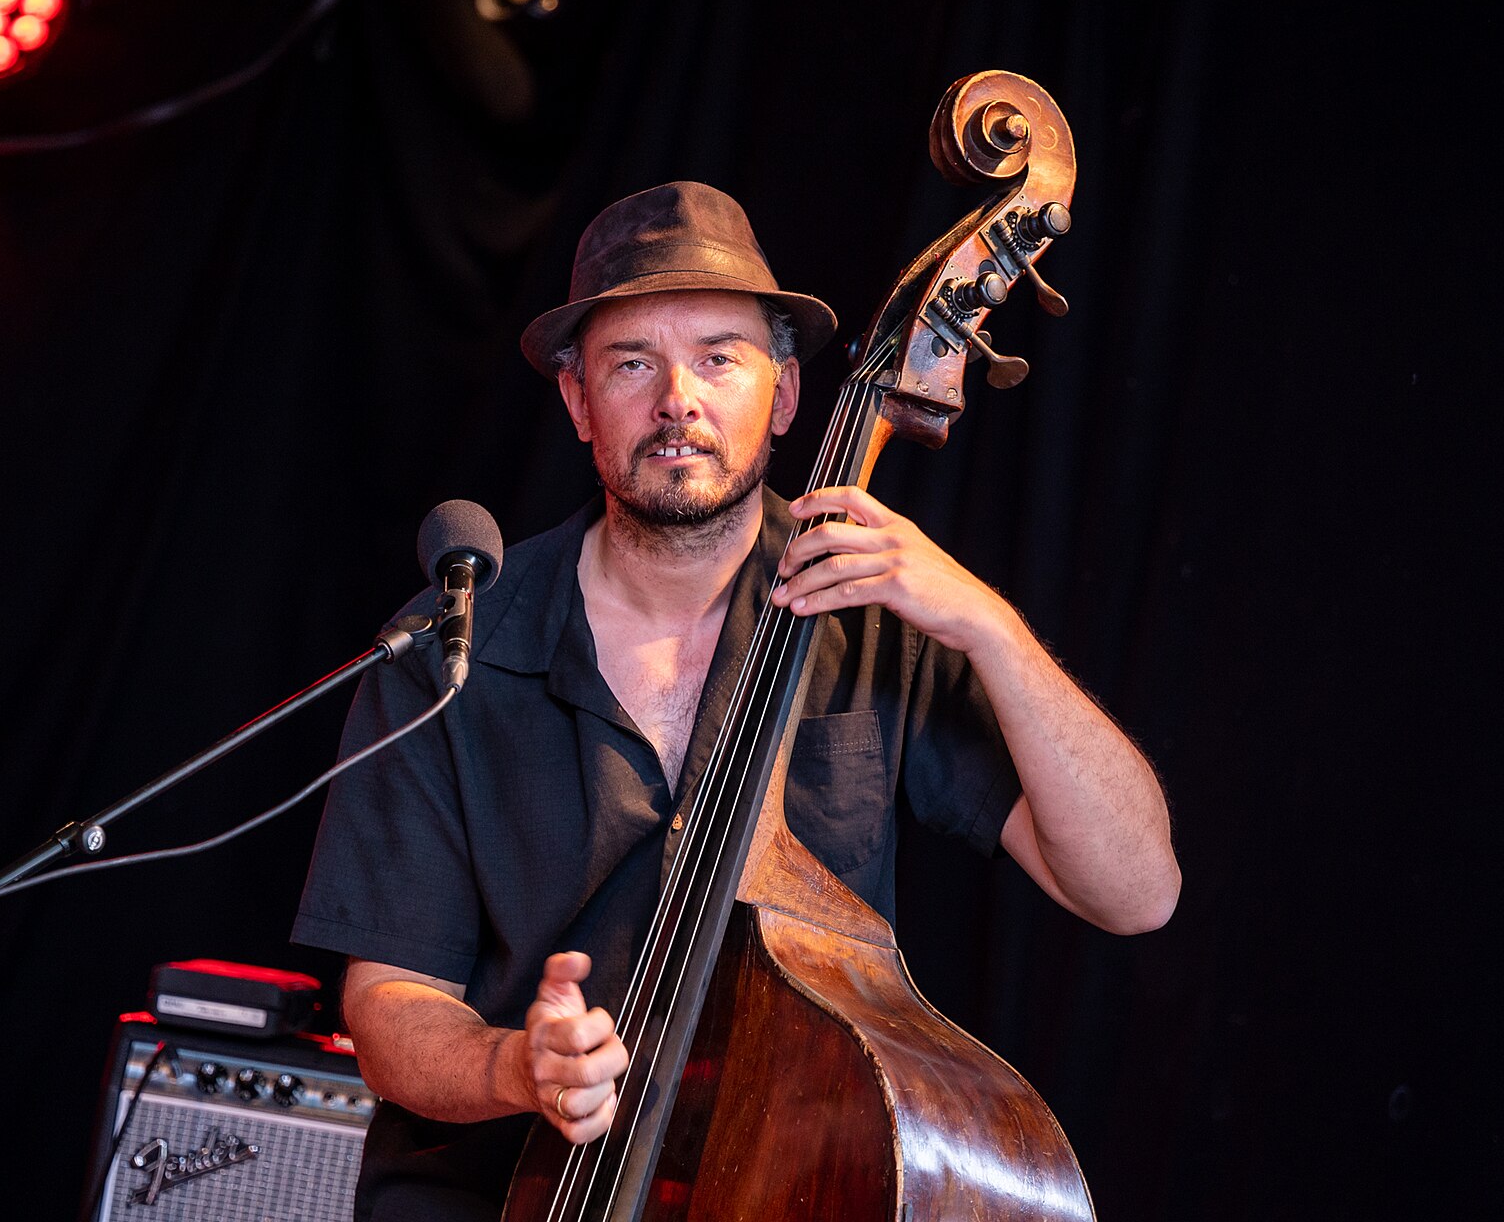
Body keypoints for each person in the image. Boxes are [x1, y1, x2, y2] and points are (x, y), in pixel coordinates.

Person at [291, 181, 1180, 1221]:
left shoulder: (878, 615)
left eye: (719, 356)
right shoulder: (455, 646)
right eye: (633, 363)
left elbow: (1135, 891)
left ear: (787, 394)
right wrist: (512, 1067)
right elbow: (389, 998)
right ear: (579, 404)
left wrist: (988, 623)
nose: (679, 398)